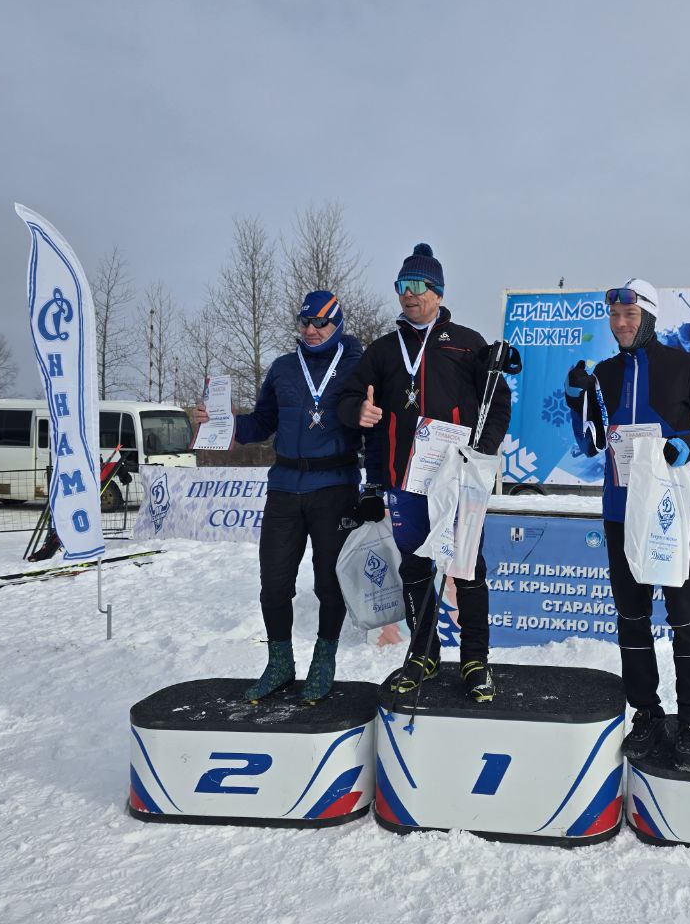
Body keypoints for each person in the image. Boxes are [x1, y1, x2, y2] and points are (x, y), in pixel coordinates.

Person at [564, 278, 690, 769]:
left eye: (630, 316)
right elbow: (591, 442)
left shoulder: (683, 366)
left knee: (685, 619)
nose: (620, 324)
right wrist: (577, 398)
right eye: (615, 317)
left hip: (672, 513)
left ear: (649, 317)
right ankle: (646, 714)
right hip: (621, 513)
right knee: (632, 618)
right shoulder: (605, 373)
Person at [337, 243, 510, 704]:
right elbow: (349, 399)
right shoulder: (380, 351)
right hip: (405, 481)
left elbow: (500, 401)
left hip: (456, 482)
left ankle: (476, 661)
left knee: (467, 569)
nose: (409, 295)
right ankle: (423, 653)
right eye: (401, 287)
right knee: (415, 567)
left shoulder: (468, 344)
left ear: (437, 292)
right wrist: (360, 411)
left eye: (418, 287)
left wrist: (484, 449)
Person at [193, 291, 363, 704]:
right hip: (285, 486)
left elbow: (374, 425)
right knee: (274, 582)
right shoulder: (284, 368)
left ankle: (324, 660)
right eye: (304, 322)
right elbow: (262, 422)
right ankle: (280, 662)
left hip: (335, 486)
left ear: (337, 323)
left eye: (320, 323)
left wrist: (376, 483)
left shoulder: (358, 366)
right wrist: (228, 424)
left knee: (329, 583)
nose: (310, 330)